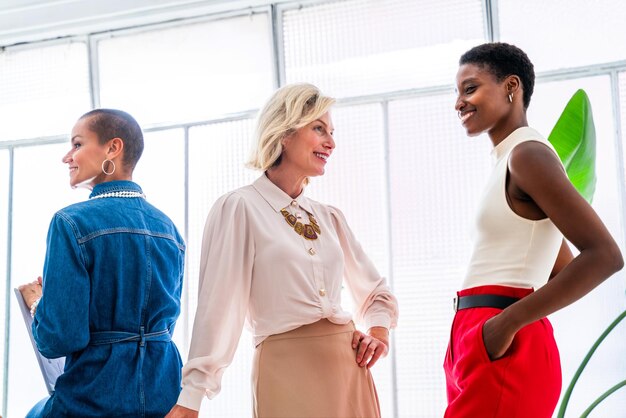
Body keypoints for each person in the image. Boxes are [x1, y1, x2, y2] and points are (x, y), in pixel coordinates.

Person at [166, 83, 398, 418]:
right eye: (319, 129)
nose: (331, 142)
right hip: (285, 370)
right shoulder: (240, 207)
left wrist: (379, 333)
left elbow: (376, 292)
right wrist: (191, 398)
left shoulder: (329, 217)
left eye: (332, 132)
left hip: (349, 371)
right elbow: (217, 308)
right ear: (284, 133)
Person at [444, 42, 624, 417]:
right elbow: (558, 267)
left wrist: (504, 325)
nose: (459, 102)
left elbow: (605, 256)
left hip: (498, 335)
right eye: (457, 93)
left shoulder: (528, 155)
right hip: (481, 333)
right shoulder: (510, 159)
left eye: (470, 88)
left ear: (512, 87)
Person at [19, 109, 186, 417]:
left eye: (77, 144)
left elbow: (59, 338)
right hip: (165, 393)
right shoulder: (169, 229)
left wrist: (39, 304)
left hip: (94, 396)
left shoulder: (70, 223)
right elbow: (165, 325)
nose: (67, 157)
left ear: (113, 148)